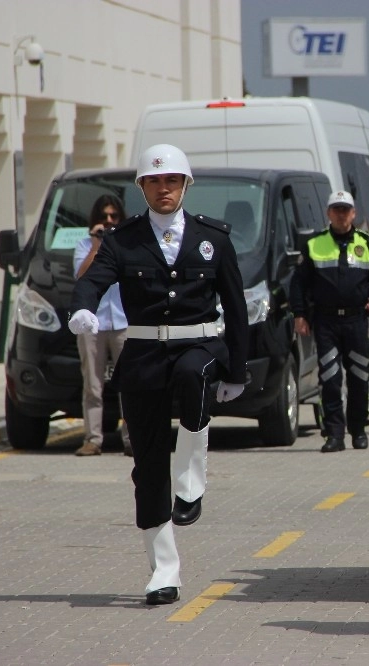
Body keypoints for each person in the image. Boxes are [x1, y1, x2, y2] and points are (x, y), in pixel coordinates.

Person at [69, 144, 249, 605]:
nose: (163, 189)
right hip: (145, 353)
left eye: (171, 181)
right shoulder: (123, 239)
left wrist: (237, 371)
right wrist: (82, 309)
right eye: (153, 182)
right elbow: (92, 279)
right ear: (142, 188)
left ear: (185, 185)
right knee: (147, 467)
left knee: (193, 377)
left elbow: (236, 307)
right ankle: (163, 571)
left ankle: (192, 481)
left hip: (199, 345)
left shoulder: (214, 237)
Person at [291, 190, 369, 453]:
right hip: (325, 323)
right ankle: (334, 434)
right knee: (330, 379)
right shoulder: (314, 245)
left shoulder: (368, 244)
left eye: (345, 209)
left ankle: (358, 430)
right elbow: (298, 284)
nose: (341, 214)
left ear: (353, 213)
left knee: (359, 378)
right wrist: (299, 315)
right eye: (336, 209)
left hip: (358, 321)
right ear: (329, 213)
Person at [72, 195, 132, 457]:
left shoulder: (127, 246)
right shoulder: (84, 245)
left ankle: (131, 439)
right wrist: (97, 245)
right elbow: (82, 276)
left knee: (129, 383)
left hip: (122, 322)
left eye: (113, 217)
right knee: (92, 384)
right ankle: (93, 439)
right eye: (103, 217)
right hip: (92, 324)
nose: (108, 221)